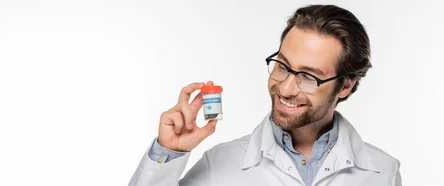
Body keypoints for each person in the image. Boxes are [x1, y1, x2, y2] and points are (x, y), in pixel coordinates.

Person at [129, 4, 401, 186]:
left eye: (308, 76)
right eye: (282, 66)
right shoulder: (220, 165)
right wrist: (169, 153)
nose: (285, 88)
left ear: (345, 86)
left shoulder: (383, 172)